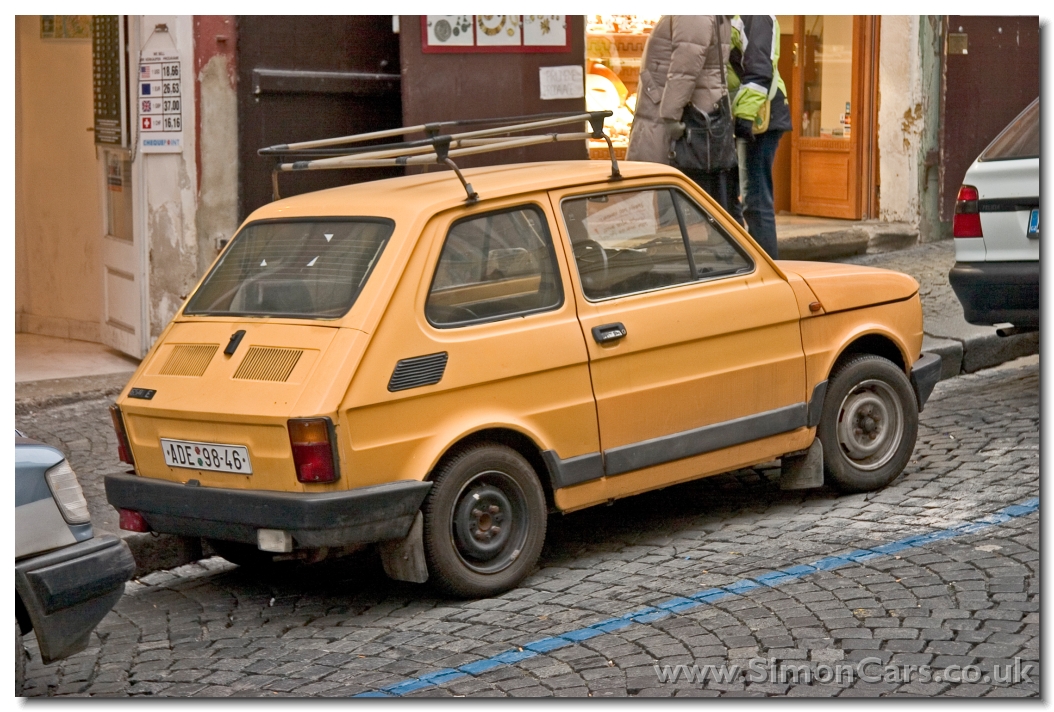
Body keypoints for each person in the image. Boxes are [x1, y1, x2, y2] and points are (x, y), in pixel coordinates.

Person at [626, 15, 739, 216]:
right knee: (700, 206)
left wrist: (670, 116)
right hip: (694, 114)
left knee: (677, 209)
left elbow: (684, 70)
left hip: (679, 118)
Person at [727, 15, 791, 259]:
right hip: (747, 114)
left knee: (755, 200)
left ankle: (768, 273)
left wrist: (744, 115)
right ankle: (745, 265)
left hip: (759, 116)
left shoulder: (755, 13)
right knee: (740, 198)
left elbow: (759, 69)